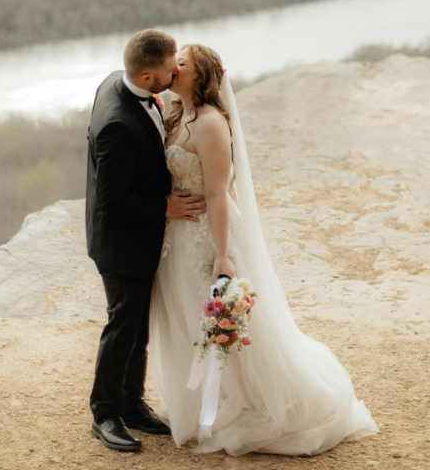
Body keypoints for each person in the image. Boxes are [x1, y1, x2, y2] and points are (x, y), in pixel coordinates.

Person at [149, 44, 379, 456]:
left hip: (208, 235)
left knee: (230, 328)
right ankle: (209, 402)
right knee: (187, 319)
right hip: (178, 238)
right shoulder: (176, 114)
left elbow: (218, 194)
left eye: (180, 63)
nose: (172, 67)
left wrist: (222, 256)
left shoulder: (212, 125)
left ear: (199, 76)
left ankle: (256, 403)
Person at [85, 29, 207, 453]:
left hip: (140, 238)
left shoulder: (119, 79)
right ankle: (104, 413)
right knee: (123, 325)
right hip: (121, 243)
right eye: (171, 70)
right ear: (149, 78)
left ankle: (131, 402)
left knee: (139, 326)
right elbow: (112, 199)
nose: (176, 73)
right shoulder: (119, 123)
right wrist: (164, 207)